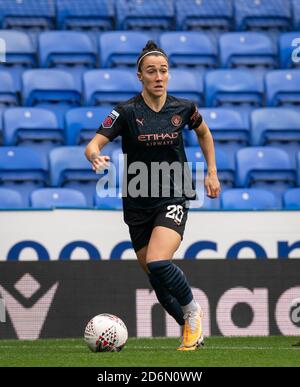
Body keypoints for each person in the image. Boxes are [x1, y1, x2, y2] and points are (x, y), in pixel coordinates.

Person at [85, 41, 221, 351]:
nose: (159, 77)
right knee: (157, 281)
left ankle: (193, 313)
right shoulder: (125, 112)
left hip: (173, 195)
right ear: (140, 76)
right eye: (151, 72)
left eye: (163, 71)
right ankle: (189, 329)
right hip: (136, 201)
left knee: (160, 263)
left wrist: (211, 172)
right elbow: (93, 144)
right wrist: (94, 157)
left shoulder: (184, 108)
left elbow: (204, 133)